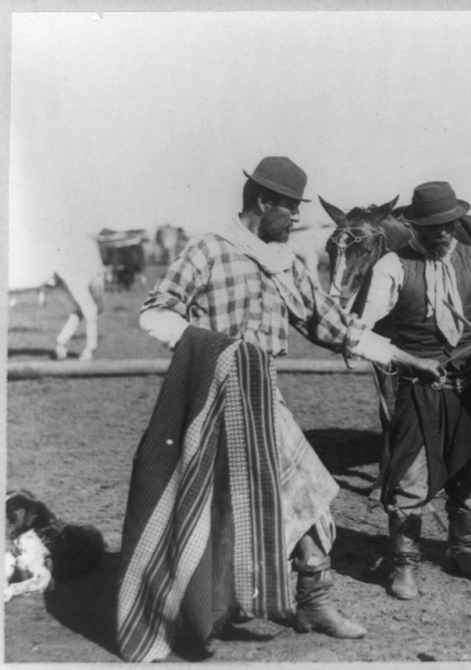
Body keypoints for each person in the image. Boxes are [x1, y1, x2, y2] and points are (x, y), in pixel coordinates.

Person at [117, 157, 443, 662]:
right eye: (289, 209)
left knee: (306, 490)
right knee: (215, 507)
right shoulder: (209, 249)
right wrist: (211, 348)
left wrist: (404, 357)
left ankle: (314, 600)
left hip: (265, 396)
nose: (294, 219)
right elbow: (157, 311)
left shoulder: (284, 260)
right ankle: (207, 607)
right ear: (263, 202)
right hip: (210, 398)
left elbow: (329, 322)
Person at [357, 181, 471, 600]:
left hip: (468, 387)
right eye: (431, 227)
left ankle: (461, 548)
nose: (442, 234)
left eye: (449, 225)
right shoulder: (392, 266)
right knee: (410, 477)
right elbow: (360, 333)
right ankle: (405, 565)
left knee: (470, 473)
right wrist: (407, 360)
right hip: (416, 390)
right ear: (414, 226)